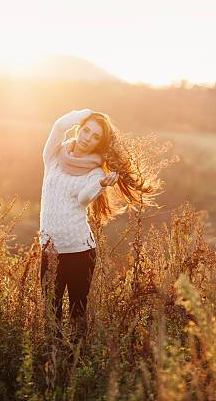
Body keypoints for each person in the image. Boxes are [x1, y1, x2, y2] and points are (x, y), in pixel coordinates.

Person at [39, 108, 159, 341]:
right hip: (49, 250)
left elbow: (84, 198)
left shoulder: (95, 171)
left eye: (95, 137)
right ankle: (53, 367)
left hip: (79, 252)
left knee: (77, 316)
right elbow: (59, 126)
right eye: (86, 131)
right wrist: (87, 112)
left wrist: (101, 184)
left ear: (99, 144)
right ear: (79, 128)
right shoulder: (52, 156)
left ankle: (76, 365)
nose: (87, 138)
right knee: (50, 316)